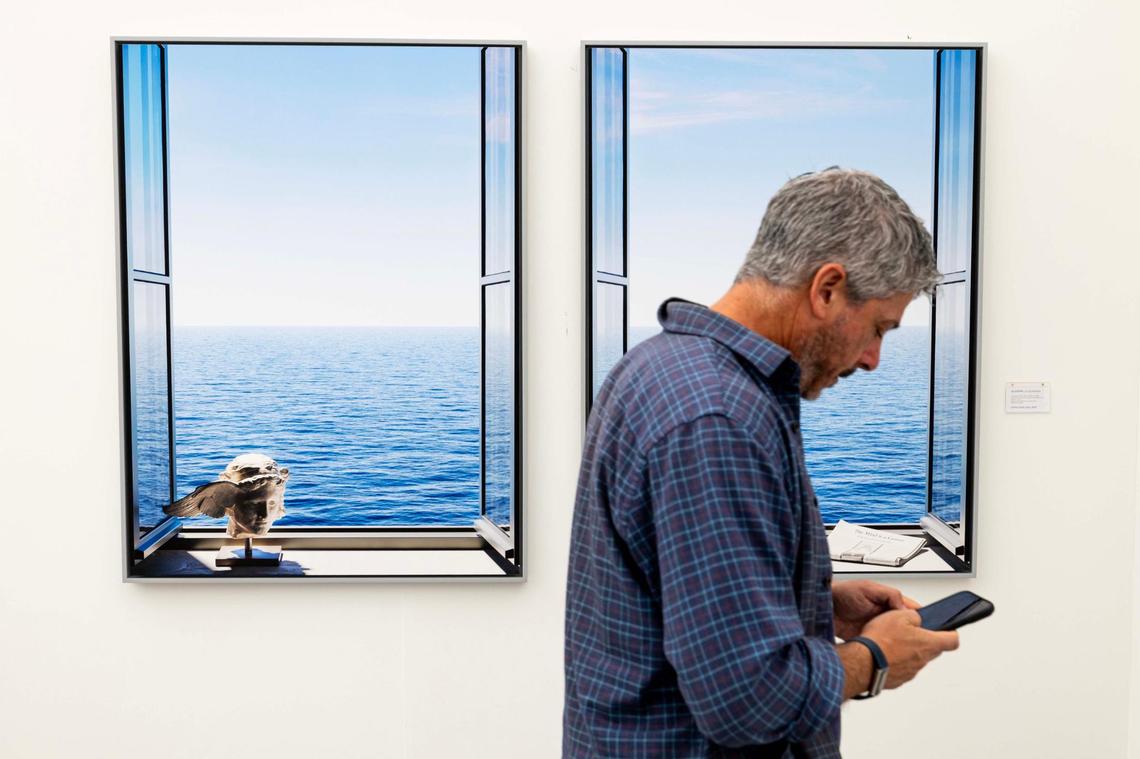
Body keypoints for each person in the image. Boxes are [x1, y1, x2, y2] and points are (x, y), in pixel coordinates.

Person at [564, 168, 961, 758]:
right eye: (878, 327)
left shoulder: (656, 369)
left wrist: (814, 605)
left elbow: (680, 598)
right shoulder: (719, 419)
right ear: (827, 288)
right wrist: (874, 659)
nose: (874, 359)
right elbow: (747, 700)